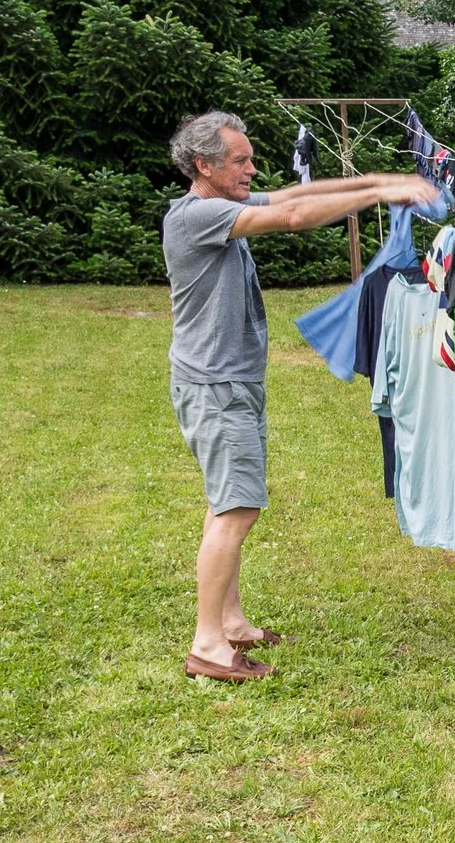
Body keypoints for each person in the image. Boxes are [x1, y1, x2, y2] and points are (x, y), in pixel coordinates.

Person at [163, 110, 434, 682]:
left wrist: (374, 182)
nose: (251, 169)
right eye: (240, 160)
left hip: (228, 380)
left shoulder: (221, 205)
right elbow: (290, 214)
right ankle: (208, 645)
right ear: (204, 165)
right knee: (238, 507)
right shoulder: (196, 216)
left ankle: (230, 620)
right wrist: (383, 190)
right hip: (215, 385)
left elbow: (290, 193)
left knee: (225, 500)